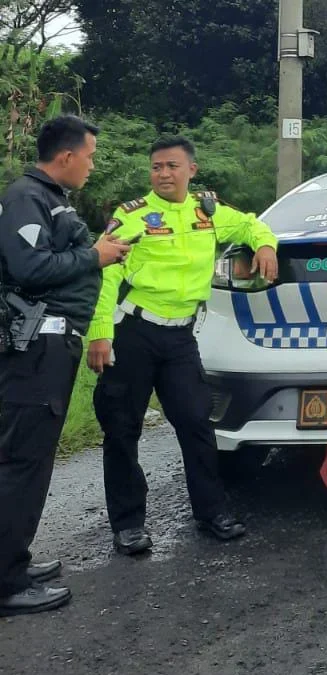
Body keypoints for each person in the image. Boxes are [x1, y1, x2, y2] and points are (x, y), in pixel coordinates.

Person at [86, 136, 279, 555]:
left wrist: (265, 245)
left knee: (196, 423)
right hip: (133, 333)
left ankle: (211, 512)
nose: (163, 174)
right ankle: (128, 524)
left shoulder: (206, 213)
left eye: (172, 166)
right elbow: (107, 275)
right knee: (122, 429)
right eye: (156, 167)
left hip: (180, 339)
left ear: (191, 170)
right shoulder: (134, 216)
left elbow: (249, 223)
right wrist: (100, 332)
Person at [0, 115, 131, 616]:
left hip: (49, 347)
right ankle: (6, 583)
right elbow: (28, 268)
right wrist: (94, 257)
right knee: (22, 463)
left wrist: (99, 252)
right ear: (66, 156)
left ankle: (12, 560)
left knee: (28, 461)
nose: (93, 165)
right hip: (35, 349)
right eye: (91, 156)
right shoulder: (27, 198)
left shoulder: (49, 200)